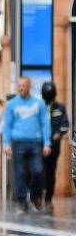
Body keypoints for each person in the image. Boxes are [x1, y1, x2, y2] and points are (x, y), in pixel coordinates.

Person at [3, 76, 52, 215]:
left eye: (24, 85)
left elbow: (45, 124)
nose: (21, 88)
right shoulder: (12, 104)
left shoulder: (39, 103)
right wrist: (6, 143)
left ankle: (35, 197)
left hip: (35, 142)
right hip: (18, 142)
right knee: (20, 173)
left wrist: (47, 143)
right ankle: (22, 202)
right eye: (19, 85)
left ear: (29, 86)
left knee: (38, 170)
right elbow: (7, 125)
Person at [41, 81, 69, 213]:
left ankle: (48, 199)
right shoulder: (39, 106)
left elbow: (65, 124)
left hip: (54, 146)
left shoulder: (60, 107)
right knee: (38, 171)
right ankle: (36, 196)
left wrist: (59, 133)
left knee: (50, 172)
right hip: (39, 145)